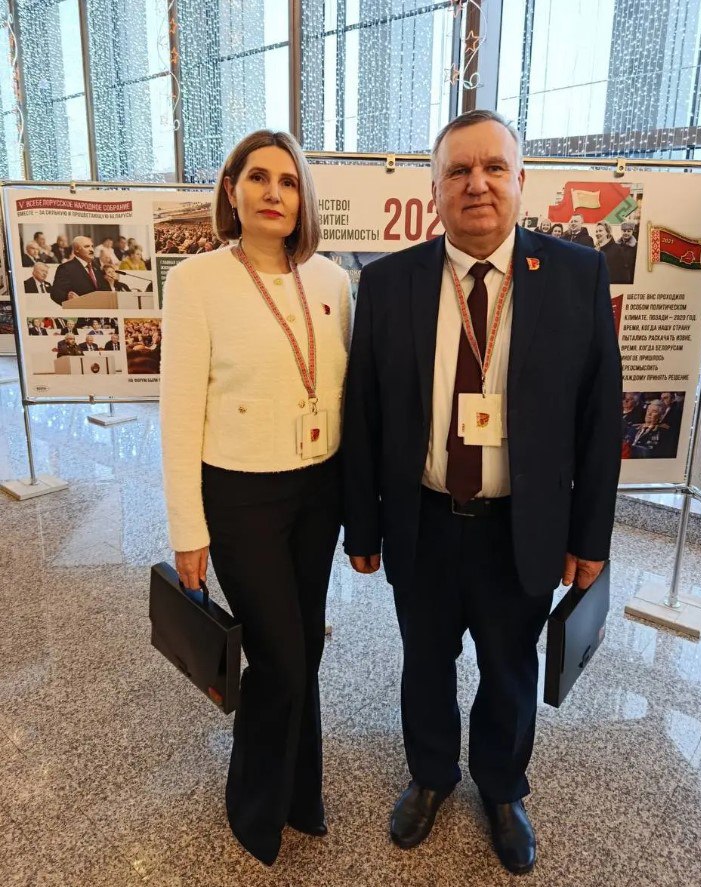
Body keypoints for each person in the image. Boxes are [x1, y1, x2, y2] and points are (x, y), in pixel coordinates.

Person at [342, 110, 622, 876]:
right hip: (423, 521)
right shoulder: (388, 282)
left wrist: (589, 538)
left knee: (509, 666)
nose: (477, 184)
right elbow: (363, 414)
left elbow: (600, 418)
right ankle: (431, 774)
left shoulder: (574, 276)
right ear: (433, 191)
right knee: (424, 661)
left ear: (520, 180)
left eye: (493, 167)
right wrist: (360, 527)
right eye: (458, 171)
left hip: (520, 525)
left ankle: (501, 787)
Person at [160, 129, 351, 867]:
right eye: (259, 178)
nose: (275, 193)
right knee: (278, 656)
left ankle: (302, 797)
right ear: (231, 190)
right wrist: (188, 527)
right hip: (240, 494)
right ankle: (255, 806)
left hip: (319, 488)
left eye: (289, 181)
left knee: (306, 646)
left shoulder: (330, 280)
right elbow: (179, 412)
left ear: (304, 198)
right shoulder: (197, 281)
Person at [51, 236, 110, 306]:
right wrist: (68, 298)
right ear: (76, 249)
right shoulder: (66, 268)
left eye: (92, 246)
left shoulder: (96, 267)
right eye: (87, 246)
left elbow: (106, 290)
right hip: (79, 309)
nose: (91, 250)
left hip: (100, 309)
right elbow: (56, 293)